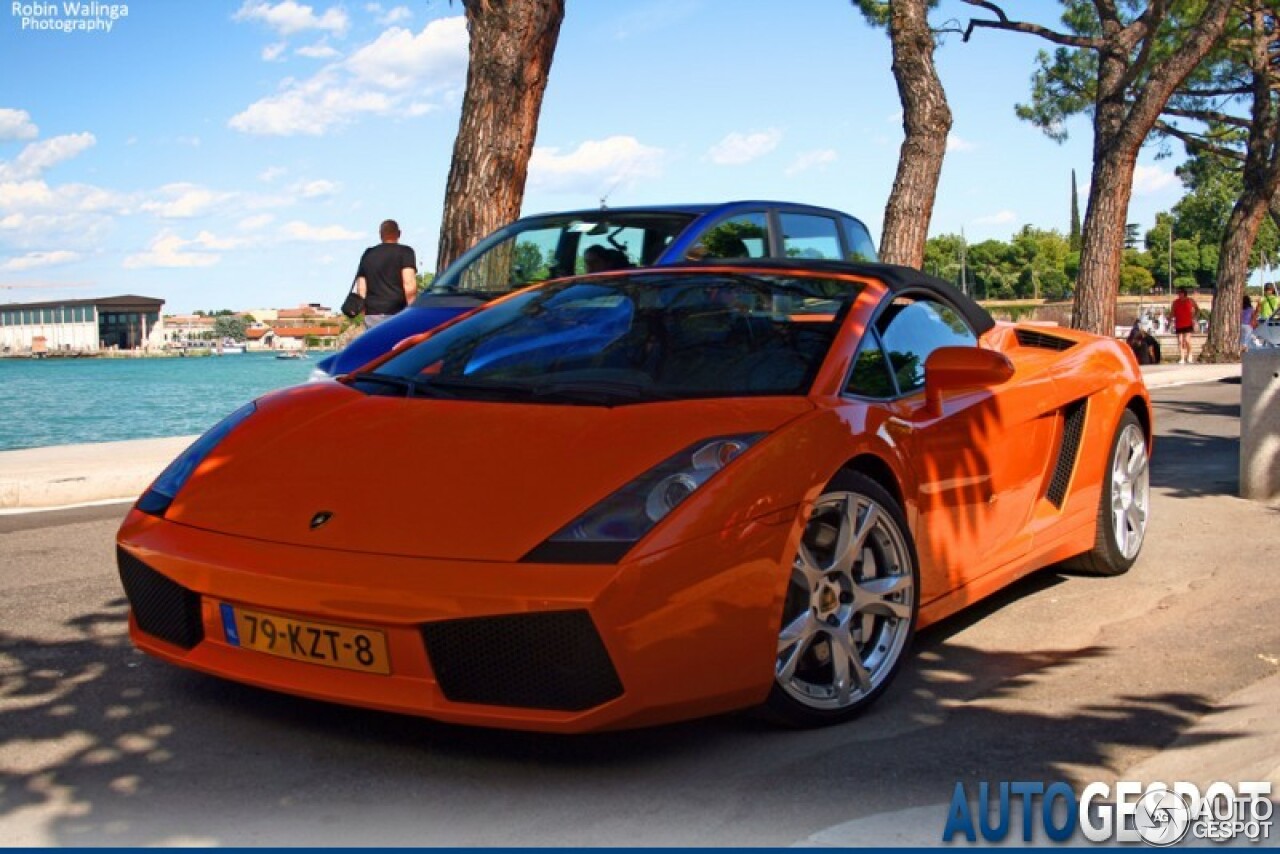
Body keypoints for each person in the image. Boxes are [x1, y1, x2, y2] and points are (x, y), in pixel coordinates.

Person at [354, 220, 417, 328]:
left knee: (376, 344)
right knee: (398, 344)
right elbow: (409, 282)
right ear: (399, 233)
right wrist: (413, 310)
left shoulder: (368, 254)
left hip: (372, 314)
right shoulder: (406, 252)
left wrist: (364, 311)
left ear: (380, 235)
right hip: (398, 312)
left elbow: (361, 287)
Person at [1170, 286, 1199, 364]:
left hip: (1188, 323)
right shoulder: (1175, 302)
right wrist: (1170, 320)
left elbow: (1197, 309)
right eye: (1178, 293)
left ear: (1184, 293)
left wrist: (1194, 317)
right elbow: (1172, 312)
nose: (1179, 294)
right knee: (1180, 341)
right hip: (1179, 323)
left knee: (1187, 340)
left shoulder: (1190, 301)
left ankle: (1190, 354)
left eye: (1181, 293)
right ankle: (1182, 357)